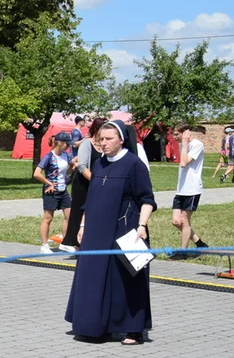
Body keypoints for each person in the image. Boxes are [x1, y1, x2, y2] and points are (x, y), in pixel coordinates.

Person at [65, 119, 156, 345]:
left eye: (109, 139)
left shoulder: (134, 164)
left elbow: (147, 199)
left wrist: (142, 226)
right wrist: (83, 225)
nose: (104, 144)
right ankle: (96, 326)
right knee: (95, 277)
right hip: (96, 230)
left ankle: (132, 330)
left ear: (121, 140)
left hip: (125, 229)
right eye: (101, 140)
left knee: (126, 279)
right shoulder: (100, 165)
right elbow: (92, 197)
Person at [61, 117, 107, 253]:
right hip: (83, 184)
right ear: (96, 129)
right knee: (79, 212)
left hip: (99, 184)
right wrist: (95, 180)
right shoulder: (87, 143)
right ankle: (76, 243)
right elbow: (81, 166)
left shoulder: (105, 145)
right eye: (103, 130)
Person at [169, 123, 209, 260]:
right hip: (181, 189)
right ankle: (200, 243)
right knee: (175, 221)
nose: (174, 137)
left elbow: (183, 163)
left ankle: (183, 251)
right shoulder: (182, 145)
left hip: (192, 189)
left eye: (176, 134)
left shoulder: (197, 145)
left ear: (185, 132)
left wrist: (185, 143)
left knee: (185, 220)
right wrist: (183, 144)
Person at [33, 132, 74, 254]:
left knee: (69, 216)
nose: (68, 146)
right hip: (51, 192)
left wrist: (72, 167)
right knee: (48, 218)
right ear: (59, 143)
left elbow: (68, 170)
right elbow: (36, 174)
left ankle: (65, 243)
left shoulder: (66, 156)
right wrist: (49, 183)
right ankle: (44, 245)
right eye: (67, 144)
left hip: (63, 190)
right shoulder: (49, 157)